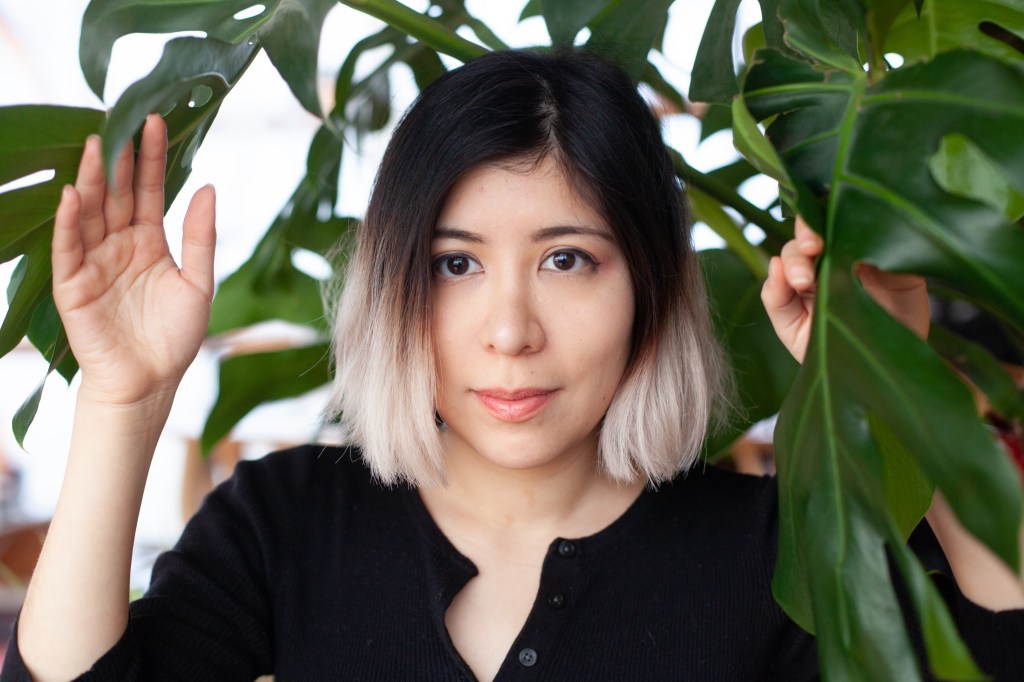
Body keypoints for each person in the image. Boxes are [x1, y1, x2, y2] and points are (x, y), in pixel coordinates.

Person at [3, 49, 1023, 681]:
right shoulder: (289, 521)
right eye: (455, 264)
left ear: (650, 286)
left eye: (566, 259)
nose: (508, 331)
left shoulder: (768, 546)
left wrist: (899, 375)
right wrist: (123, 402)